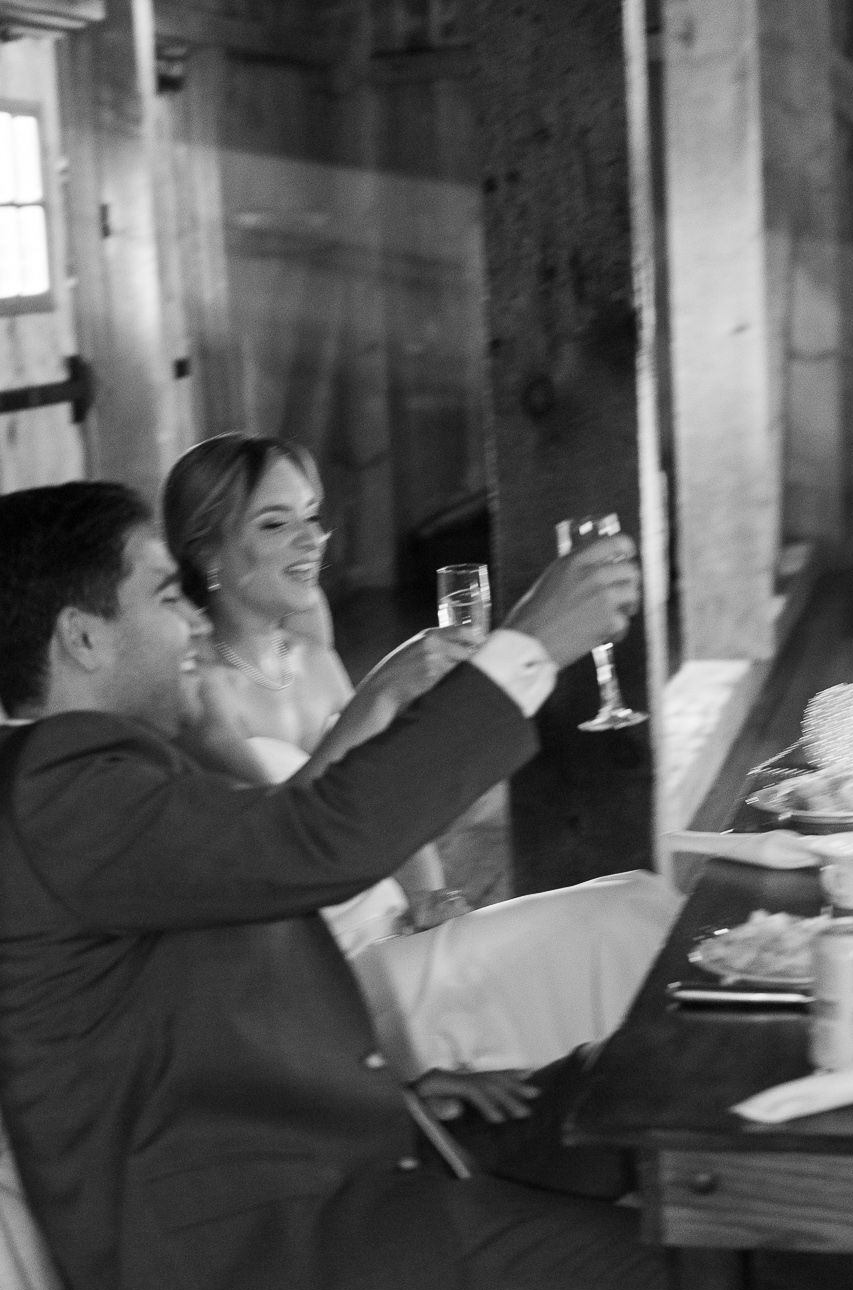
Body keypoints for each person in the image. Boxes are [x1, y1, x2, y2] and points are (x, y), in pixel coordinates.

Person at [0, 480, 853, 1290]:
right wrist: (527, 645)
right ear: (82, 636)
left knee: (622, 1120)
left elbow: (172, 1006)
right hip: (265, 1274)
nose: (193, 617)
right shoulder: (64, 786)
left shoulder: (90, 775)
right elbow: (317, 843)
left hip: (293, 1191)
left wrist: (394, 1088)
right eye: (164, 591)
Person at [161, 433, 681, 1089]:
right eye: (275, 523)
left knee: (635, 897)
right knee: (622, 923)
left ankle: (649, 1110)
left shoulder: (310, 654)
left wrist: (429, 893)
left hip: (392, 922)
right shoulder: (201, 692)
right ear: (207, 548)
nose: (309, 539)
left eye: (312, 516)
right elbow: (285, 837)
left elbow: (378, 795)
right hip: (327, 977)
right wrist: (379, 696)